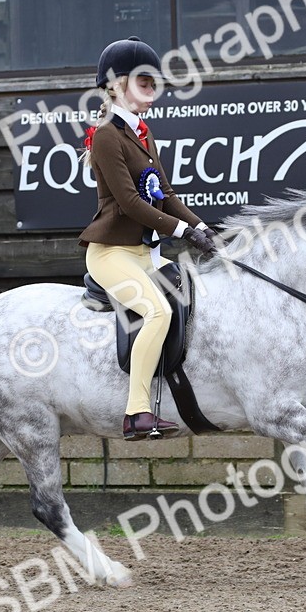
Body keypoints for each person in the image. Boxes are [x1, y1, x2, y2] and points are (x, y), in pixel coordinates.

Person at [78, 36, 217, 440]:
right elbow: (130, 203)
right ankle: (136, 412)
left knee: (195, 298)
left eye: (155, 84)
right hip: (110, 255)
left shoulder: (142, 132)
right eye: (144, 82)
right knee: (158, 312)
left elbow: (165, 194)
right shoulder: (106, 135)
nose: (153, 91)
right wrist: (183, 232)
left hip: (142, 253)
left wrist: (203, 228)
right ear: (117, 85)